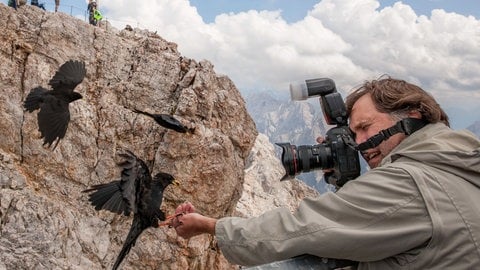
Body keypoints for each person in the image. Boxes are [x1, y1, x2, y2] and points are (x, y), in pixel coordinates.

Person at [170, 76, 480, 269]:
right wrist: (349, 182)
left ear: (411, 117)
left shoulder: (410, 182)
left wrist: (210, 225)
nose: (359, 143)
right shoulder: (455, 160)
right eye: (353, 133)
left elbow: (300, 228)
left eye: (364, 128)